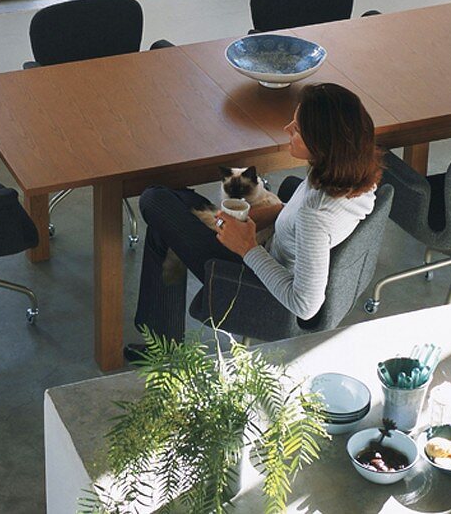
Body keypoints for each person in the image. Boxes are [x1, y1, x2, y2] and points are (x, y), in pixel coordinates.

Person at [125, 81, 382, 361]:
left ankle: (162, 350)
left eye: (296, 129)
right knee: (168, 212)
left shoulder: (315, 215)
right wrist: (264, 216)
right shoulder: (351, 178)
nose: (287, 130)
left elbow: (306, 305)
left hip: (255, 286)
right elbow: (303, 220)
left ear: (321, 145)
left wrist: (246, 247)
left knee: (154, 201)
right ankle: (163, 348)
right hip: (264, 246)